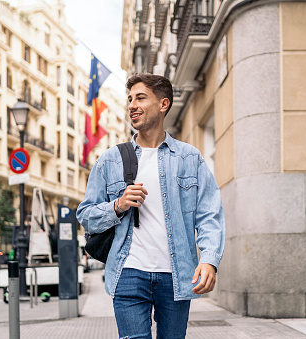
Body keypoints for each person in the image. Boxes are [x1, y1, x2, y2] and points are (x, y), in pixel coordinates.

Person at [77, 73, 225, 338]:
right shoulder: (110, 160)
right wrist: (118, 205)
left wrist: (210, 260)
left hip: (176, 274)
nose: (132, 105)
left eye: (141, 98)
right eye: (130, 99)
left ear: (163, 104)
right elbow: (86, 214)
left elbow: (209, 213)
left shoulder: (189, 157)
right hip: (129, 272)